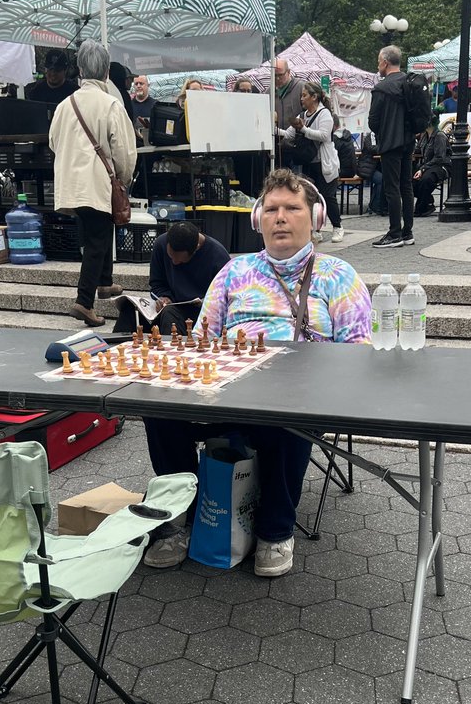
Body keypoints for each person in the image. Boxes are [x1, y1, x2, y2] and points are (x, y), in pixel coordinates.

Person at [141, 169, 371, 577]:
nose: (280, 217)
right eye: (272, 208)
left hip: (296, 398)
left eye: (292, 208)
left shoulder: (338, 275)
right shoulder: (233, 271)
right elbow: (204, 338)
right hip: (226, 391)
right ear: (257, 219)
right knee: (159, 407)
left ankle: (275, 530)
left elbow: (358, 355)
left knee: (287, 418)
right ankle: (181, 517)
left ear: (315, 218)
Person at [49, 41, 137, 327]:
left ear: (79, 70)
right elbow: (124, 151)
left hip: (70, 184)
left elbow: (53, 142)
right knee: (98, 241)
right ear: (107, 72)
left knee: (93, 235)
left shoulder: (65, 105)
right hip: (97, 181)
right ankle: (84, 302)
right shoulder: (111, 104)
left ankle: (105, 282)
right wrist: (122, 180)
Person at [113, 221, 230, 335]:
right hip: (167, 307)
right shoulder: (161, 244)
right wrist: (164, 296)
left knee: (170, 314)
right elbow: (156, 283)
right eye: (171, 257)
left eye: (180, 261)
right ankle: (113, 349)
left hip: (198, 315)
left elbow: (225, 299)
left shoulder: (218, 257)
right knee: (129, 310)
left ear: (196, 248)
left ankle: (169, 353)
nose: (174, 263)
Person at [283, 80, 343, 242]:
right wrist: (275, 130)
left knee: (328, 196)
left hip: (324, 162)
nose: (301, 99)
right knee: (311, 197)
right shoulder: (302, 115)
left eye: (304, 95)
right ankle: (316, 229)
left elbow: (324, 135)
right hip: (308, 162)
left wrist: (303, 129)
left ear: (314, 97)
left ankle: (337, 227)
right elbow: (289, 134)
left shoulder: (325, 114)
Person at [368, 44, 415, 249]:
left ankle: (394, 232)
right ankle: (408, 232)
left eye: (379, 61)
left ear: (385, 62)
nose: (378, 65)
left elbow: (373, 121)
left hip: (390, 141)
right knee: (406, 185)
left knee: (392, 187)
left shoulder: (382, 88)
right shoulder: (410, 82)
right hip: (408, 141)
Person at [413, 114, 451, 217]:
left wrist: (423, 169)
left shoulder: (439, 136)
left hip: (441, 166)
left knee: (426, 180)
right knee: (408, 179)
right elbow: (419, 150)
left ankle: (422, 208)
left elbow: (439, 158)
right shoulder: (424, 136)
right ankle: (428, 200)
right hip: (427, 165)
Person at [273, 56, 303, 167]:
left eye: (280, 75)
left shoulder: (301, 88)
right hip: (275, 149)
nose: (277, 79)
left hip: (296, 147)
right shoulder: (269, 92)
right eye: (274, 75)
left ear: (289, 72)